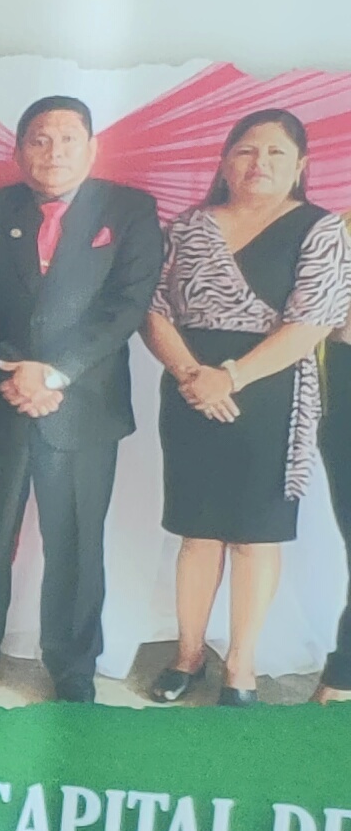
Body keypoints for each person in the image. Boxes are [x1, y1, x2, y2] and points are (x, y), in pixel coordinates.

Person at [0, 95, 164, 705]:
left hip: (82, 405)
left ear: (92, 147)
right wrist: (13, 371)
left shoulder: (129, 211)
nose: (53, 151)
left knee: (77, 541)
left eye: (66, 139)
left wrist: (55, 374)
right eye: (39, 138)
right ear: (18, 150)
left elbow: (126, 305)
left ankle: (73, 665)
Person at [142, 107, 349, 705]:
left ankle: (241, 666)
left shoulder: (320, 229)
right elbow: (152, 310)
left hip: (271, 393)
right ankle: (186, 656)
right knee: (198, 532)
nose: (260, 163)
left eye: (276, 153)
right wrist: (192, 375)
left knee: (255, 538)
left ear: (300, 165)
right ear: (225, 160)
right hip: (189, 388)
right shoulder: (186, 227)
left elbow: (311, 323)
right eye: (246, 151)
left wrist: (229, 378)